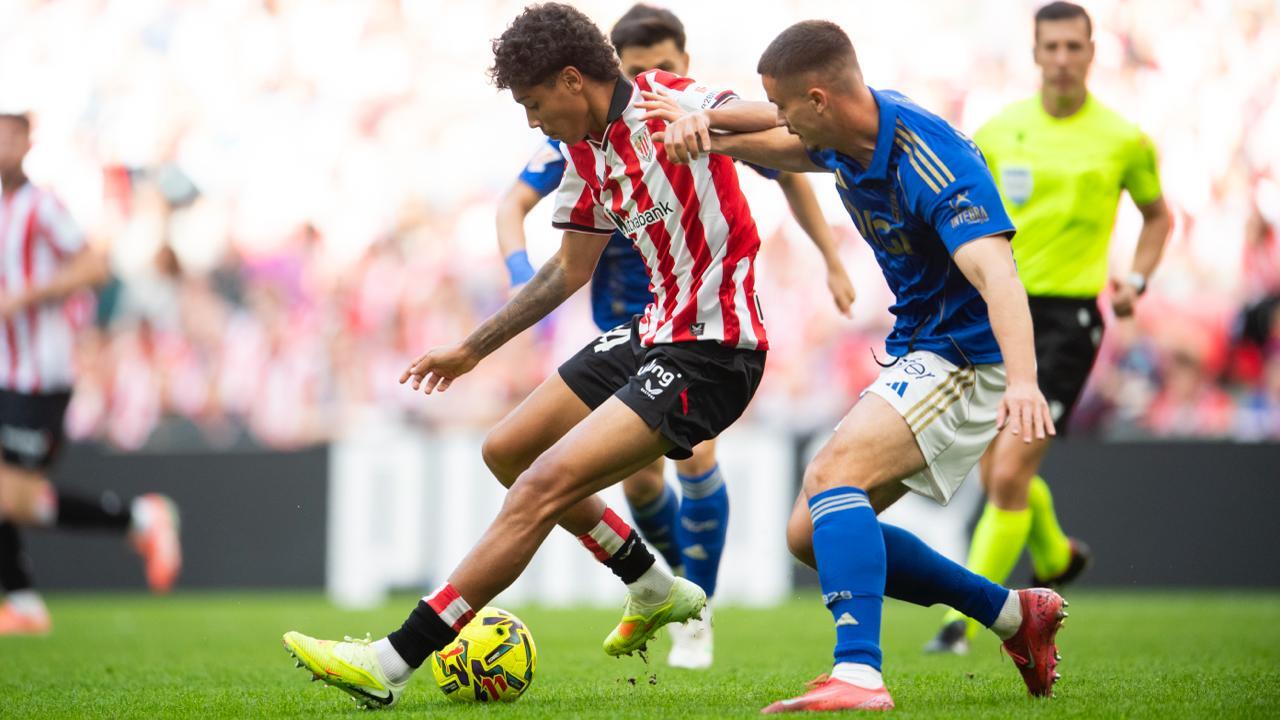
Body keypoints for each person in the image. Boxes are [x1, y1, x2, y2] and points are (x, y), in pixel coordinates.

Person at [283, 4, 776, 708]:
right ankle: (651, 583)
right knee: (507, 451)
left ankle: (390, 661)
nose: (532, 120)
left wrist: (709, 121)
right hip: (654, 330)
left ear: (573, 80)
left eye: (534, 103)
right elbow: (568, 269)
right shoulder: (585, 151)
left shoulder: (665, 96)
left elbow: (780, 115)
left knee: (542, 486)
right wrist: (471, 348)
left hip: (716, 349)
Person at [650, 20, 1068, 711]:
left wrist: (1023, 381)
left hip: (966, 356)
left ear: (819, 100)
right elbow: (780, 138)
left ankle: (859, 672)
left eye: (785, 105)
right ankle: (1012, 615)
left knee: (831, 476)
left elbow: (998, 275)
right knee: (809, 534)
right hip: (922, 347)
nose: (779, 117)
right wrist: (708, 131)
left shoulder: (930, 159)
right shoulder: (847, 134)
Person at [494, 2, 855, 669]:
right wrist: (519, 275)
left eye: (661, 68)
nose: (647, 81)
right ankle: (663, 584)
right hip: (626, 320)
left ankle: (699, 613)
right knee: (639, 485)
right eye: (636, 70)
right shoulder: (578, 140)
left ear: (682, 65)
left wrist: (831, 259)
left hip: (699, 321)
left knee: (696, 454)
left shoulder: (688, 111)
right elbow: (516, 206)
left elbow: (787, 161)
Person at [927, 1, 1171, 653]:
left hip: (1068, 322)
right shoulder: (999, 131)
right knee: (995, 473)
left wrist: (1137, 279)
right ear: (1035, 53)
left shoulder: (1123, 139)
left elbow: (1158, 217)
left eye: (1073, 46)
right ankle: (1056, 554)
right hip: (995, 312)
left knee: (1008, 475)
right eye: (1051, 47)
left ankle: (958, 623)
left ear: (1092, 51)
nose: (1062, 58)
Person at [0, 112, 181, 635]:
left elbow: (93, 267)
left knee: (14, 497)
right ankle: (23, 602)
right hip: (6, 372)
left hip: (39, 374)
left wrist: (27, 296)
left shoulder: (41, 205)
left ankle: (138, 520)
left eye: (10, 132)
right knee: (11, 495)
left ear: (27, 141)